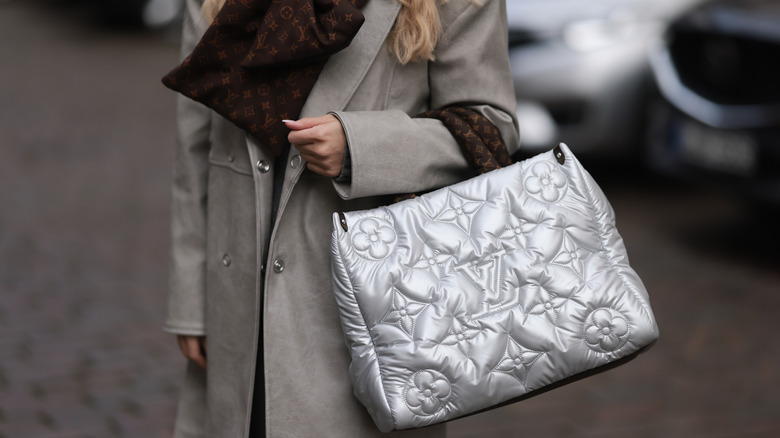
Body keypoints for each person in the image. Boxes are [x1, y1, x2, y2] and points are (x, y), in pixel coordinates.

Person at [164, 0, 520, 436]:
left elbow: (489, 128)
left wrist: (361, 146)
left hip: (366, 312)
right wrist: (190, 301)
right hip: (236, 296)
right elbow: (195, 149)